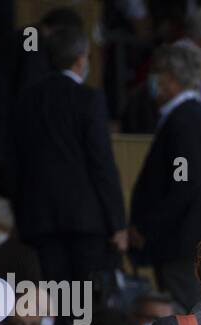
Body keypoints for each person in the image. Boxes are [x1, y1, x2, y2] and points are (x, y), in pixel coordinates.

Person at [9, 24, 126, 296]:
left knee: (54, 296)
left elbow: (15, 161)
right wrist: (117, 223)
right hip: (86, 219)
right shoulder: (89, 98)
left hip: (38, 218)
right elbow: (101, 162)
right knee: (84, 300)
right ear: (81, 58)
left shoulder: (26, 99)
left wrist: (20, 212)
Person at [129, 43, 201, 311]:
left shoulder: (185, 120)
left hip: (180, 242)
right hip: (183, 239)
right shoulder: (192, 117)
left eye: (158, 73)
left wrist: (147, 227)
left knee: (186, 319)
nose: (153, 80)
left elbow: (184, 184)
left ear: (171, 78)